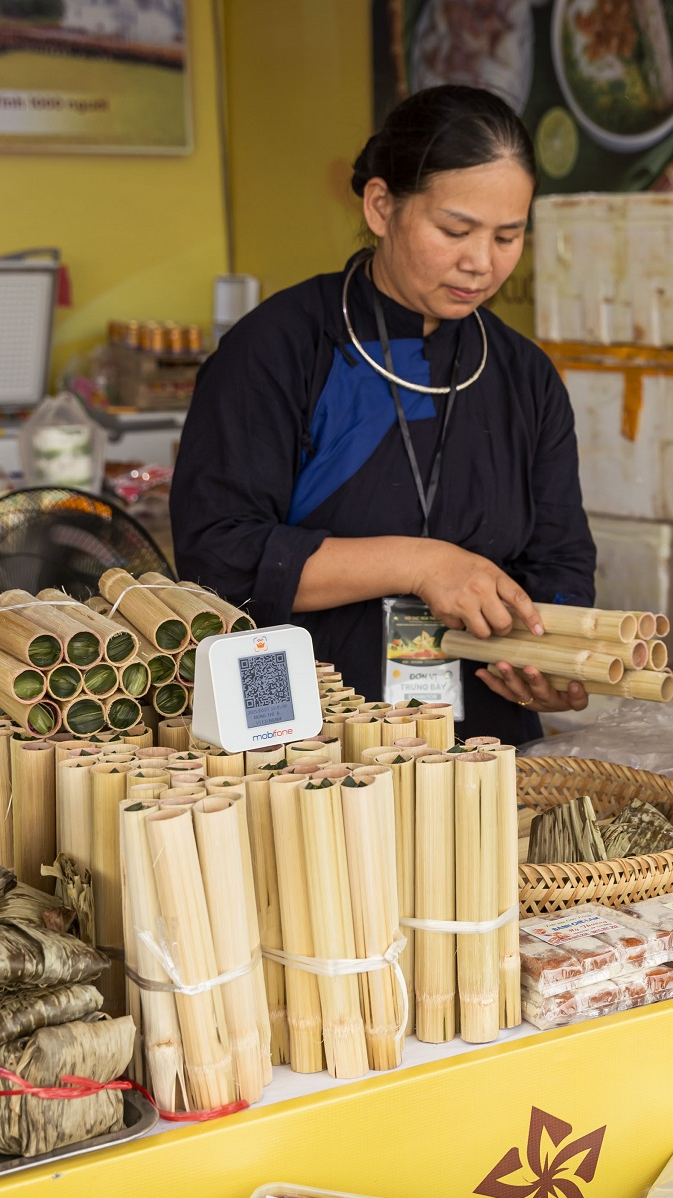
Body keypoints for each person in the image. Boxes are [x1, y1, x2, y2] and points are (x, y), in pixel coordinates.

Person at [170, 85, 596, 744]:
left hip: (484, 748)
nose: (482, 263)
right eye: (455, 230)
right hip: (304, 742)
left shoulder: (523, 376)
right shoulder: (280, 349)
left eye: (508, 236)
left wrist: (551, 656)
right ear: (380, 206)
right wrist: (421, 564)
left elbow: (561, 563)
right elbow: (217, 557)